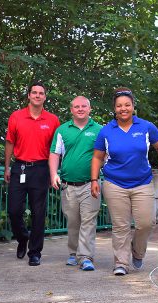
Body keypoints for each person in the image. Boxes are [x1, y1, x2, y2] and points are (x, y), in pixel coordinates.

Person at [90, 87, 158, 276]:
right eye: (119, 106)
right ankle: (121, 263)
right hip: (114, 183)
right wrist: (94, 179)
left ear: (133, 106)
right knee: (120, 226)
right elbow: (97, 157)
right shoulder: (106, 131)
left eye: (127, 105)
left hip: (142, 183)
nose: (123, 108)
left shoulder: (146, 127)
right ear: (114, 108)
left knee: (146, 223)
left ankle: (137, 251)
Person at [4, 80, 60, 266]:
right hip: (19, 167)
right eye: (34, 92)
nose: (37, 95)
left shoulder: (52, 120)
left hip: (41, 169)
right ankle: (22, 238)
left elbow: (57, 149)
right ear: (28, 95)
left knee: (38, 212)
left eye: (41, 93)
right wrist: (6, 167)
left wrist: (55, 172)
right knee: (13, 210)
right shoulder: (16, 117)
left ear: (45, 97)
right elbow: (10, 142)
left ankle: (35, 252)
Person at [49, 96, 102, 271]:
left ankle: (86, 257)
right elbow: (55, 154)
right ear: (71, 110)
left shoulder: (99, 130)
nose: (80, 109)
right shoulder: (62, 130)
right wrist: (53, 174)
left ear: (90, 109)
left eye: (84, 106)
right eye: (76, 106)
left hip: (91, 184)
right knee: (73, 222)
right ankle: (73, 253)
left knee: (89, 220)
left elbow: (106, 155)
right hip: (68, 185)